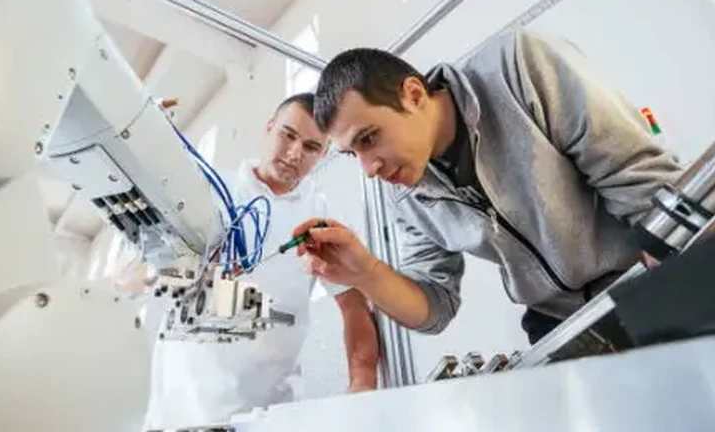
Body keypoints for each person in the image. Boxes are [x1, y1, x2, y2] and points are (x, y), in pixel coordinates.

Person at [292, 30, 681, 349]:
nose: (369, 168)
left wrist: (670, 293)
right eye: (351, 154)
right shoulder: (404, 195)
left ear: (413, 94)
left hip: (644, 275)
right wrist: (366, 274)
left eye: (370, 137)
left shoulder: (517, 66)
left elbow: (638, 178)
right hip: (559, 323)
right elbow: (435, 307)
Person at [146, 93, 379, 429]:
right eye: (288, 135)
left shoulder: (323, 219)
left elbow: (354, 306)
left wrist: (363, 383)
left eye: (312, 147)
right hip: (182, 404)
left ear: (324, 153)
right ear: (269, 128)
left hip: (267, 411)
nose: (296, 153)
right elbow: (158, 270)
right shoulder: (210, 192)